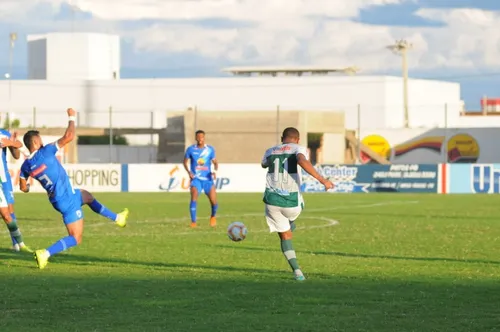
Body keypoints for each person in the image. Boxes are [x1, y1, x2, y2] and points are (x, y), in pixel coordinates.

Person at [19, 108, 129, 269]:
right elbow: (69, 136)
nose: (42, 142)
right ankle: (45, 253)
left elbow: (23, 188)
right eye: (40, 140)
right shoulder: (46, 152)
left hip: (59, 198)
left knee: (87, 196)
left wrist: (29, 185)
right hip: (66, 198)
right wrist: (71, 117)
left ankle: (118, 218)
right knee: (76, 238)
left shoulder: (25, 166)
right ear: (35, 142)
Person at [261, 127, 334, 281]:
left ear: (282, 138)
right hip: (292, 202)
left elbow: (264, 164)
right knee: (297, 210)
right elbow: (301, 160)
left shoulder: (270, 150)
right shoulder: (298, 148)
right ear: (298, 139)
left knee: (285, 236)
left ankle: (297, 271)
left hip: (271, 200)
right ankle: (291, 222)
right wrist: (323, 180)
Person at [183, 129, 218, 228]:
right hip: (196, 179)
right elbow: (185, 162)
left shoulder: (210, 149)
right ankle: (193, 222)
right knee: (194, 197)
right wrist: (189, 172)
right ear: (195, 138)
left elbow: (215, 163)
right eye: (198, 137)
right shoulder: (191, 149)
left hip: (208, 179)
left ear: (204, 138)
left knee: (214, 201)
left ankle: (213, 217)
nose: (200, 139)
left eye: (201, 137)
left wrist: (215, 172)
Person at [0, 129, 25, 251]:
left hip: (3, 178)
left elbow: (17, 155)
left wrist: (12, 142)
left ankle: (17, 244)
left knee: (9, 211)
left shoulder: (3, 134)